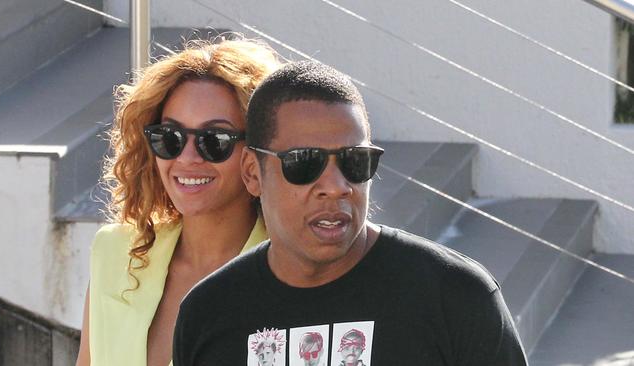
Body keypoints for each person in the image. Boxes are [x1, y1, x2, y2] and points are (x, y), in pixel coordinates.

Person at [173, 61, 528, 365]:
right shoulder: (209, 314)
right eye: (305, 162)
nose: (337, 185)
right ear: (252, 172)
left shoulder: (455, 296)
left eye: (355, 161)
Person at [75, 37, 280, 366]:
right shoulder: (114, 253)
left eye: (215, 140)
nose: (187, 157)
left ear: (258, 153)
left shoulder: (291, 272)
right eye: (169, 137)